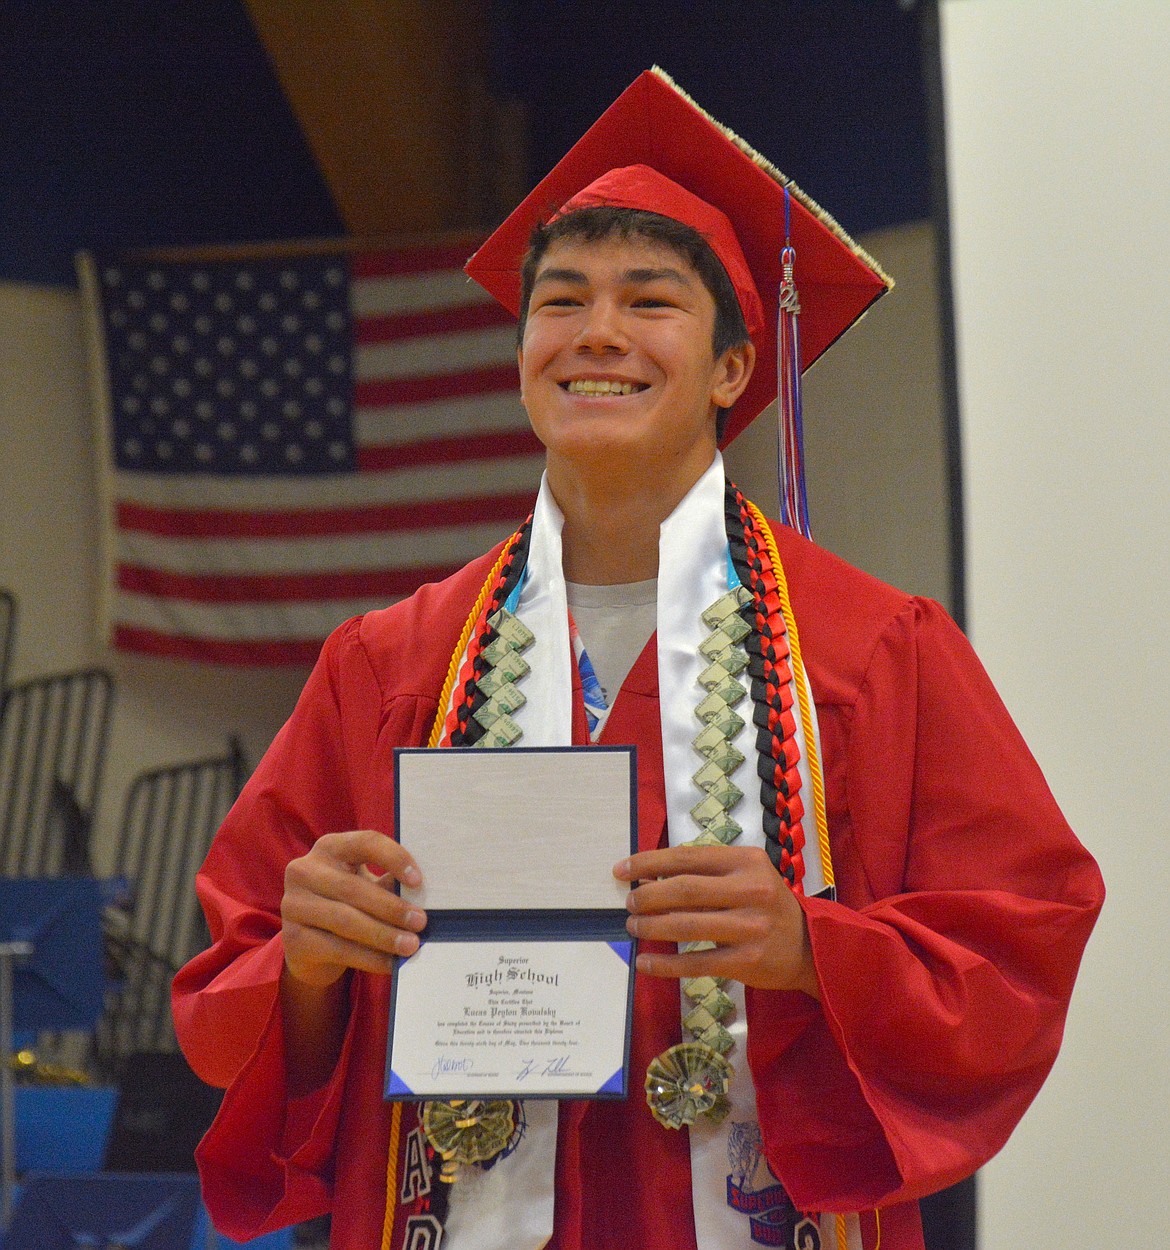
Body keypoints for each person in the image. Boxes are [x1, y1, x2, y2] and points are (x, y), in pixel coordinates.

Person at [173, 70, 1104, 1250]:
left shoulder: (871, 651)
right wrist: (308, 961)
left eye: (649, 299)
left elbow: (1018, 946)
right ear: (522, 357)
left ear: (732, 369)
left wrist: (815, 951)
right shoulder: (391, 663)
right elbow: (234, 985)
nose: (596, 331)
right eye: (559, 301)